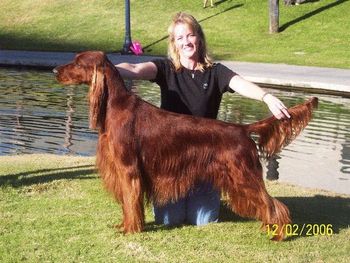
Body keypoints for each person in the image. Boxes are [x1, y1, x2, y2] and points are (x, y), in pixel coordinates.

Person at [116, 12, 290, 227]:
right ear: (174, 44)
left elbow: (240, 83)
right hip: (171, 163)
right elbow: (135, 69)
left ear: (199, 37)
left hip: (207, 158)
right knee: (170, 220)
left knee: (205, 221)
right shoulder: (166, 69)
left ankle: (274, 215)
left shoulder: (215, 72)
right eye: (180, 38)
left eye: (190, 35)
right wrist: (108, 69)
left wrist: (266, 96)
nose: (186, 42)